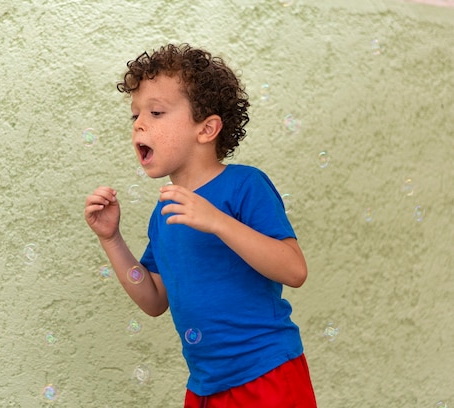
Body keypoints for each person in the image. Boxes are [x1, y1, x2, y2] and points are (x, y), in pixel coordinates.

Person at [84, 43, 317, 407]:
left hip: (267, 374)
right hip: (206, 386)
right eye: (135, 116)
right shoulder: (165, 213)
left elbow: (294, 269)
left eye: (156, 112)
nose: (140, 124)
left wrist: (217, 221)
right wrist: (111, 238)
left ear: (207, 129)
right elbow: (154, 299)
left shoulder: (244, 185)